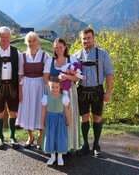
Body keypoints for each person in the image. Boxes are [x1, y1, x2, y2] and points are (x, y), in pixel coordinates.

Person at [73, 27, 113, 157]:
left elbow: (109, 74)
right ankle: (85, 145)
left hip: (97, 91)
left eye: (89, 38)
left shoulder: (103, 54)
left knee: (97, 118)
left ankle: (96, 145)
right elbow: (71, 75)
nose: (86, 41)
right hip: (82, 91)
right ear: (81, 40)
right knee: (83, 118)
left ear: (93, 38)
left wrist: (108, 92)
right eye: (84, 38)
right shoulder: (76, 56)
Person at [43, 38, 80, 151]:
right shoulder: (50, 60)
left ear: (65, 47)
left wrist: (66, 77)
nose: (58, 49)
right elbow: (45, 78)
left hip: (69, 92)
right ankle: (54, 147)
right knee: (55, 119)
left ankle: (68, 146)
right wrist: (54, 86)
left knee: (68, 117)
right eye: (56, 47)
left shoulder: (72, 59)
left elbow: (77, 77)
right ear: (54, 48)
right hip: (54, 93)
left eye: (61, 47)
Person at [16, 31, 49, 149]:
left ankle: (40, 136)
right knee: (28, 110)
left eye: (34, 40)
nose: (32, 43)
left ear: (38, 42)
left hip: (41, 85)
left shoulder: (45, 56)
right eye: (29, 41)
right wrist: (19, 91)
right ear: (26, 42)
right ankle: (30, 136)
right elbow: (20, 75)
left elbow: (48, 74)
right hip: (27, 86)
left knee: (41, 110)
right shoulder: (22, 56)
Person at [42, 77, 70, 166]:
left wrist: (68, 122)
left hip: (60, 121)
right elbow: (43, 112)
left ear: (60, 87)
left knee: (60, 137)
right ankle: (52, 156)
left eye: (57, 87)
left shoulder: (64, 98)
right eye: (52, 87)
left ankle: (60, 157)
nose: (54, 89)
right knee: (51, 137)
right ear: (49, 87)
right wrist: (42, 123)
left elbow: (66, 111)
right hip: (50, 121)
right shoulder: (46, 98)